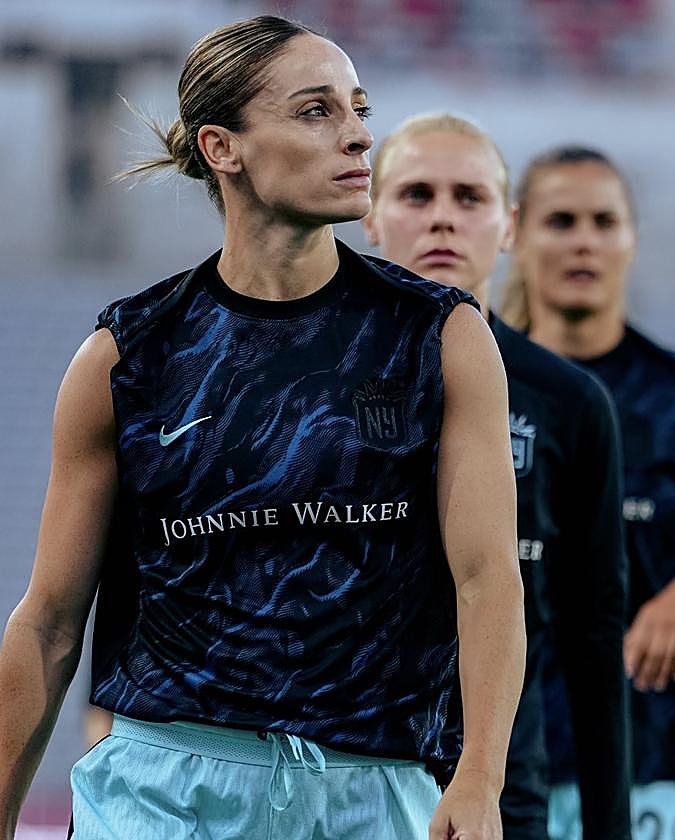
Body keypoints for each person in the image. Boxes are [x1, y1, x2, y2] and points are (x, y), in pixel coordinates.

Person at [0, 16, 525, 840]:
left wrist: (480, 777)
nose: (358, 137)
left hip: (372, 786)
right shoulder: (124, 356)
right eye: (317, 112)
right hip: (161, 787)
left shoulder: (442, 336)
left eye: (358, 108)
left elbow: (488, 578)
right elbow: (49, 620)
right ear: (222, 147)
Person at [361, 111, 632, 840]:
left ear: (508, 225)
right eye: (417, 195)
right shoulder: (306, 382)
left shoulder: (571, 402)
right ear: (371, 217)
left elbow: (594, 640)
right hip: (324, 783)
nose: (444, 218)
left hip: (496, 796)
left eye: (470, 198)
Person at [502, 146, 675, 840]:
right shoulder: (476, 382)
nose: (583, 240)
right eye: (561, 220)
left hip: (648, 754)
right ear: (515, 232)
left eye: (604, 222)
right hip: (496, 756)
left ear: (632, 239)